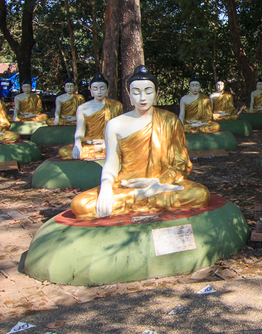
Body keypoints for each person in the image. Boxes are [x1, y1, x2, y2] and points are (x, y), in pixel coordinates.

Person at [70, 66, 209, 219]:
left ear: (156, 94)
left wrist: (157, 182)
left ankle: (138, 199)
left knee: (200, 194)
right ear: (129, 95)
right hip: (127, 185)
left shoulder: (170, 121)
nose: (142, 97)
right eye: (136, 92)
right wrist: (106, 189)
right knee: (80, 204)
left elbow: (182, 163)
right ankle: (140, 196)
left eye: (148, 91)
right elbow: (111, 163)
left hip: (161, 185)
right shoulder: (115, 124)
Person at [58, 74, 123, 160]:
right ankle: (100, 152)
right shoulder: (82, 108)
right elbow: (80, 131)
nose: (99, 92)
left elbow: (120, 130)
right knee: (64, 152)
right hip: (90, 144)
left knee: (124, 148)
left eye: (102, 88)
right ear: (91, 91)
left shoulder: (116, 105)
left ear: (107, 90)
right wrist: (77, 144)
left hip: (109, 144)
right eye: (95, 89)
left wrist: (107, 142)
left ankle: (100, 151)